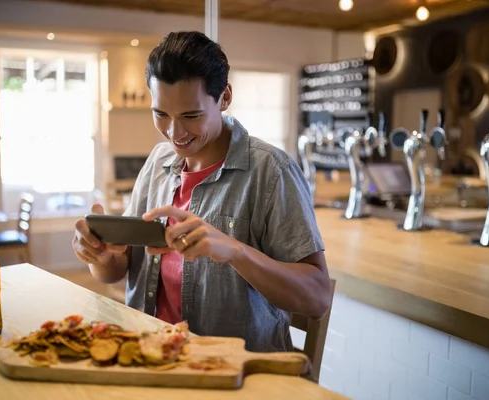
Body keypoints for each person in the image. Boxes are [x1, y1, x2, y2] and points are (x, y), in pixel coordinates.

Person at [72, 31, 331, 352]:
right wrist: (98, 254)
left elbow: (318, 299)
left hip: (236, 372)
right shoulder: (158, 161)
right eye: (160, 114)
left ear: (224, 97)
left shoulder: (271, 171)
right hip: (149, 355)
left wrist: (235, 251)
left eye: (191, 116)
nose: (174, 132)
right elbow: (115, 271)